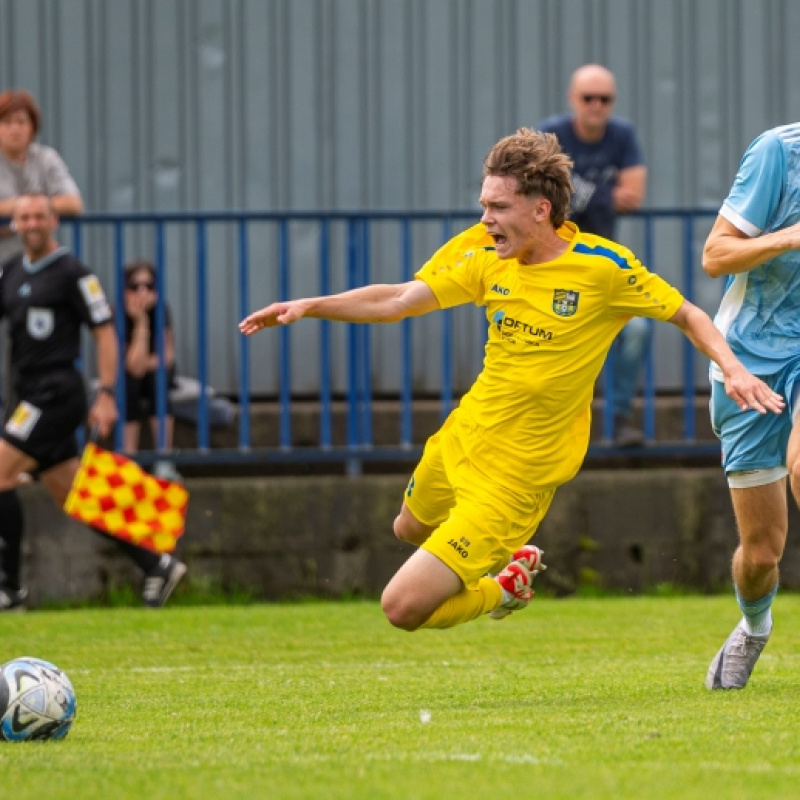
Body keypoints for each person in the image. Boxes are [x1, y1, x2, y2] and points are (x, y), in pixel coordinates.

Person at [240, 128, 783, 634]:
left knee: (401, 608)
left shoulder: (602, 269)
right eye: (483, 204)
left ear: (541, 210)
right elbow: (401, 299)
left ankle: (502, 590)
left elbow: (687, 313)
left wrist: (733, 368)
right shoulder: (482, 251)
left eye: (498, 206)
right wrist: (312, 305)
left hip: (515, 478)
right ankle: (496, 562)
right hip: (465, 436)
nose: (485, 217)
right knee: (406, 528)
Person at [0, 193, 186, 610]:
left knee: (0, 475)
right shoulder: (10, 271)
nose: (31, 223)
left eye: (39, 216)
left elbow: (104, 331)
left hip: (57, 394)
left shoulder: (74, 272)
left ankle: (9, 589)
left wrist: (105, 392)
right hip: (27, 395)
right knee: (75, 495)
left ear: (53, 221)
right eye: (23, 216)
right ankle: (156, 564)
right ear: (13, 224)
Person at [702, 122, 800, 689]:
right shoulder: (779, 153)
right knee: (761, 553)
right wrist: (789, 236)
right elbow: (716, 256)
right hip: (749, 364)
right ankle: (754, 626)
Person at [539, 64, 649, 446]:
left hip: (601, 263)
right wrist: (604, 196)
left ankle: (618, 419)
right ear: (573, 99)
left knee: (635, 330)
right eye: (589, 98)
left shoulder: (622, 135)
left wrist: (574, 193)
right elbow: (539, 198)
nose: (596, 106)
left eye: (605, 99)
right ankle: (549, 424)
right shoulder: (549, 134)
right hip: (551, 263)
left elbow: (633, 196)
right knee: (549, 337)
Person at [0, 89, 83, 262]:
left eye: (21, 122)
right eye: (7, 122)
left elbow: (73, 203)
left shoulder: (46, 158)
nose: (15, 128)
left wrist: (17, 211)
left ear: (32, 127)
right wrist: (42, 209)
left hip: (41, 260)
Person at [121, 259, 177, 457]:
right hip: (131, 377)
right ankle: (129, 458)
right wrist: (141, 322)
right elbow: (132, 368)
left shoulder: (161, 310)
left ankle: (164, 458)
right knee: (129, 384)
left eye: (149, 286)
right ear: (125, 290)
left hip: (155, 373)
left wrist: (143, 364)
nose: (142, 292)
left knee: (158, 381)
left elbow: (167, 357)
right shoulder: (117, 313)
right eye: (135, 286)